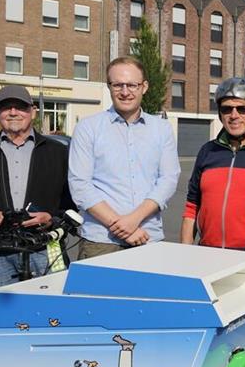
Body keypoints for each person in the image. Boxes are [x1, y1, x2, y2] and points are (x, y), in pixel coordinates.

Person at [0, 84, 73, 288]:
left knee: (52, 306)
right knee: (6, 309)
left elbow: (73, 199)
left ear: (32, 112)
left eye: (20, 107)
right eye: (5, 107)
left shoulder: (57, 152)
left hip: (45, 248)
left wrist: (51, 218)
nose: (13, 112)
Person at [68, 56, 180, 259]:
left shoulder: (162, 129)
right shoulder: (88, 127)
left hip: (147, 236)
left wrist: (133, 220)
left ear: (144, 87)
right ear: (109, 87)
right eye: (118, 85)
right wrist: (122, 226)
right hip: (101, 241)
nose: (125, 92)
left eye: (132, 85)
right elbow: (80, 185)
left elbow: (168, 179)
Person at [180, 77, 245, 250]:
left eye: (242, 109)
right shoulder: (208, 151)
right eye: (226, 109)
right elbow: (192, 206)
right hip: (208, 251)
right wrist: (185, 252)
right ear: (220, 113)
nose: (234, 115)